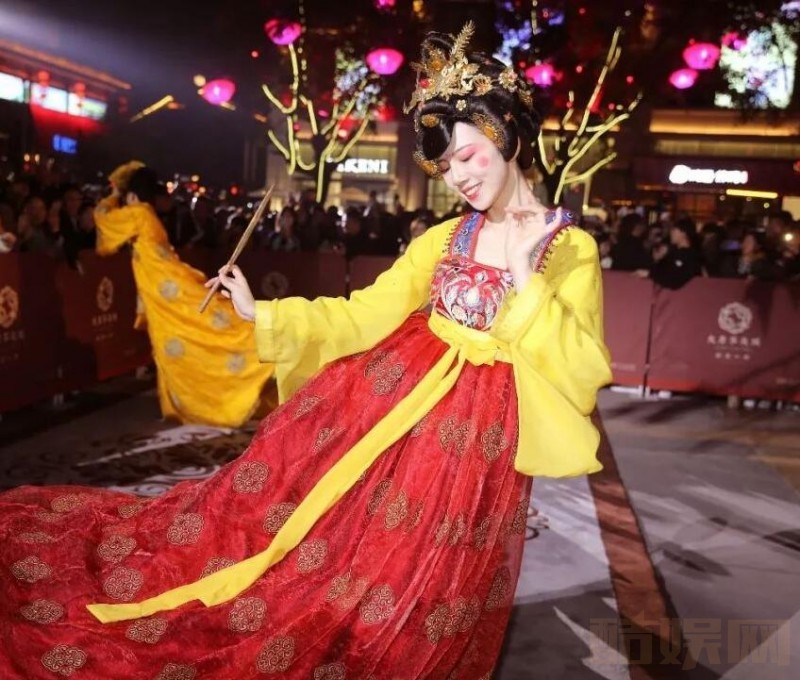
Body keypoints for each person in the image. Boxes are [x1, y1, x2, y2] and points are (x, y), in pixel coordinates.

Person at [0, 24, 611, 678]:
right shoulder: (444, 238)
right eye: (448, 165)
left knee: (438, 584)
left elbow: (580, 367)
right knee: (353, 562)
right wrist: (262, 312)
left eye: (468, 157)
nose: (457, 176)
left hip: (478, 443)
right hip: (395, 418)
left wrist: (524, 278)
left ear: (506, 137)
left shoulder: (567, 248)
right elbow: (363, 313)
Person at [91, 161, 274, 427]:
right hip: (164, 286)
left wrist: (113, 195)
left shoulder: (138, 213)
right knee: (179, 337)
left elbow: (102, 218)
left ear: (132, 195)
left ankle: (202, 401)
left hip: (164, 289)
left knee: (188, 334)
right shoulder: (147, 214)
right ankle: (181, 404)